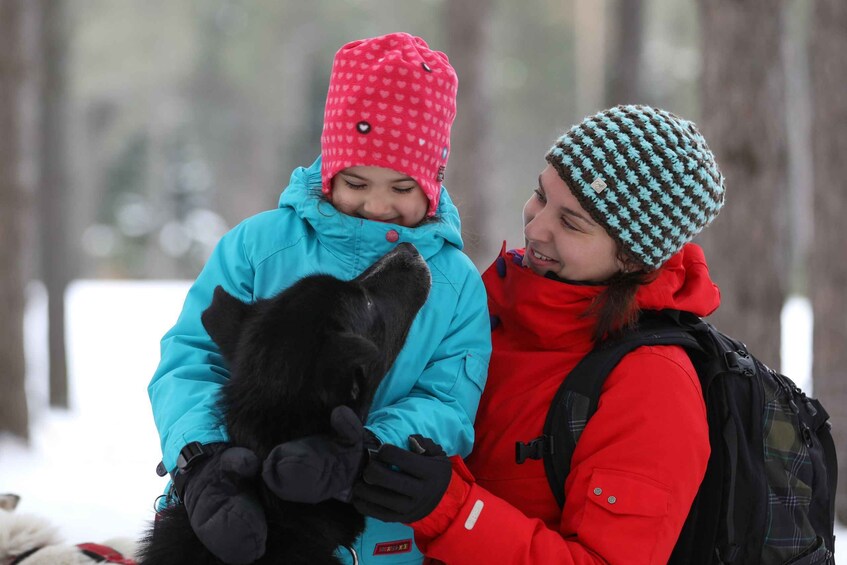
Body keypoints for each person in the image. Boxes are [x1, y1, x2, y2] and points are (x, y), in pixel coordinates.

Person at [147, 32, 491, 565]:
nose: (377, 205)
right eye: (356, 182)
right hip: (228, 517)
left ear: (433, 182)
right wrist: (201, 457)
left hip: (370, 534)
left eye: (401, 188)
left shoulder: (455, 284)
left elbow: (447, 402)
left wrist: (359, 450)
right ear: (329, 168)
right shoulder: (259, 247)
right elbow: (191, 360)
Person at [351, 104, 727, 565]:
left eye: (572, 223)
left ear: (632, 258)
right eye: (540, 195)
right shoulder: (488, 309)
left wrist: (451, 511)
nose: (536, 225)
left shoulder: (653, 384)